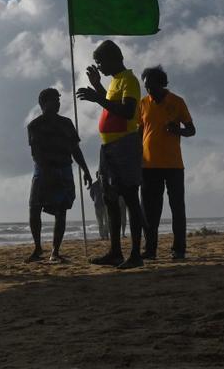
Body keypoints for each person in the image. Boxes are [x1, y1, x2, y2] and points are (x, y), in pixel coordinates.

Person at [77, 40, 147, 269]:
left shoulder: (129, 80)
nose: (99, 66)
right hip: (107, 147)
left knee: (129, 197)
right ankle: (115, 251)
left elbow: (127, 112)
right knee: (109, 198)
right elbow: (110, 106)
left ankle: (135, 253)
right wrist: (98, 87)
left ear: (114, 58)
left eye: (100, 62)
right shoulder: (115, 82)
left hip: (124, 145)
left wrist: (98, 97)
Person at [26, 88, 93, 263]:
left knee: (61, 211)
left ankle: (55, 251)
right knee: (34, 208)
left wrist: (85, 170)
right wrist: (47, 173)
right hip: (42, 170)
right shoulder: (35, 125)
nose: (57, 103)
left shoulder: (67, 123)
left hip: (64, 169)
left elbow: (75, 150)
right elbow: (36, 153)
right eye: (53, 100)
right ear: (43, 103)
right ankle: (38, 248)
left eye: (58, 100)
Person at [138, 65, 195, 260]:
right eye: (146, 86)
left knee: (177, 208)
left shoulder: (177, 102)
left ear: (162, 83)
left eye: (151, 86)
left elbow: (191, 129)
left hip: (173, 165)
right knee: (150, 211)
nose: (148, 90)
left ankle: (178, 249)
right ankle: (150, 249)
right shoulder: (143, 103)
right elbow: (140, 131)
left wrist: (177, 130)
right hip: (148, 165)